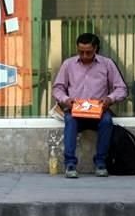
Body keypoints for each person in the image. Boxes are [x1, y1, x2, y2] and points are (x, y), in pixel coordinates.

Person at [52, 32, 127, 178]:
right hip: (76, 109)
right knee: (70, 120)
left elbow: (121, 89)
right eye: (81, 52)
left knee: (107, 121)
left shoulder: (107, 64)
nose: (85, 56)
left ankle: (100, 163)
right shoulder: (68, 64)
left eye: (89, 52)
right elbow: (57, 88)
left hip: (98, 110)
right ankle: (70, 164)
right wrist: (66, 100)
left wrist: (110, 99)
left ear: (96, 49)